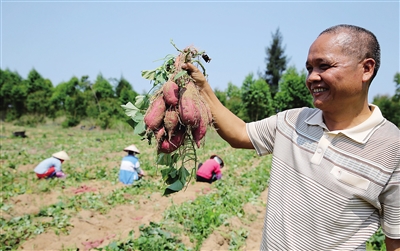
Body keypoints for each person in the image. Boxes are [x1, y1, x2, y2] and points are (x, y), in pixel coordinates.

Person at [182, 24, 400, 250]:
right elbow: (239, 134)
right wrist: (201, 86)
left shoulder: (393, 148)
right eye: (309, 68)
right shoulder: (293, 121)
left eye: (324, 66)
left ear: (366, 69)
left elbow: (396, 241)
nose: (312, 77)